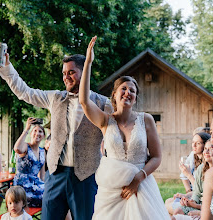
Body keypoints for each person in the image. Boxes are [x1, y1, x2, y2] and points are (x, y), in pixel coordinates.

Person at [0, 42, 111, 219]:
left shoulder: (103, 103)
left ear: (84, 72)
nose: (66, 77)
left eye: (71, 72)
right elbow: (25, 92)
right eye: (64, 73)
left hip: (86, 177)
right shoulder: (55, 98)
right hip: (55, 175)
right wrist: (6, 68)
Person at [79, 36, 170, 219]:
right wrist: (88, 63)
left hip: (141, 187)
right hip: (111, 191)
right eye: (124, 89)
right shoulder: (105, 121)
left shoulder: (146, 120)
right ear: (114, 94)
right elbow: (83, 101)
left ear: (135, 98)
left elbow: (157, 157)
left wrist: (139, 178)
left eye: (132, 91)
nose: (128, 93)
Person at [172, 140, 213, 219]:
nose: (206, 151)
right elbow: (196, 192)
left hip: (211, 208)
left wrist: (197, 207)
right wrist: (192, 201)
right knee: (177, 211)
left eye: (210, 149)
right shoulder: (201, 168)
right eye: (205, 148)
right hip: (200, 204)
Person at [165, 132, 210, 215]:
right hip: (195, 197)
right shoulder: (194, 157)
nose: (194, 146)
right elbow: (196, 191)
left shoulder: (209, 165)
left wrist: (189, 175)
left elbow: (201, 191)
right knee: (168, 201)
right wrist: (186, 195)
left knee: (169, 206)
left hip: (202, 202)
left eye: (198, 143)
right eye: (193, 142)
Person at [13, 117, 46, 207]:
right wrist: (27, 128)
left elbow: (42, 176)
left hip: (36, 185)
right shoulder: (25, 147)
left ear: (43, 136)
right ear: (31, 134)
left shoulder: (42, 152)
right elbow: (17, 148)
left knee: (57, 195)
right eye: (35, 131)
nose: (37, 133)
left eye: (40, 131)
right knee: (51, 199)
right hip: (22, 187)